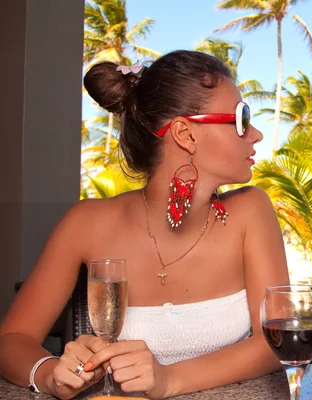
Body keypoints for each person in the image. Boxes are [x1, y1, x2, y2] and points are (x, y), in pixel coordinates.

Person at [0, 50, 289, 399]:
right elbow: (12, 341)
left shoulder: (252, 212)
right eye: (242, 118)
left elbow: (275, 342)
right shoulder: (86, 224)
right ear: (185, 134)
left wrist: (168, 379)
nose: (256, 134)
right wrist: (50, 374)